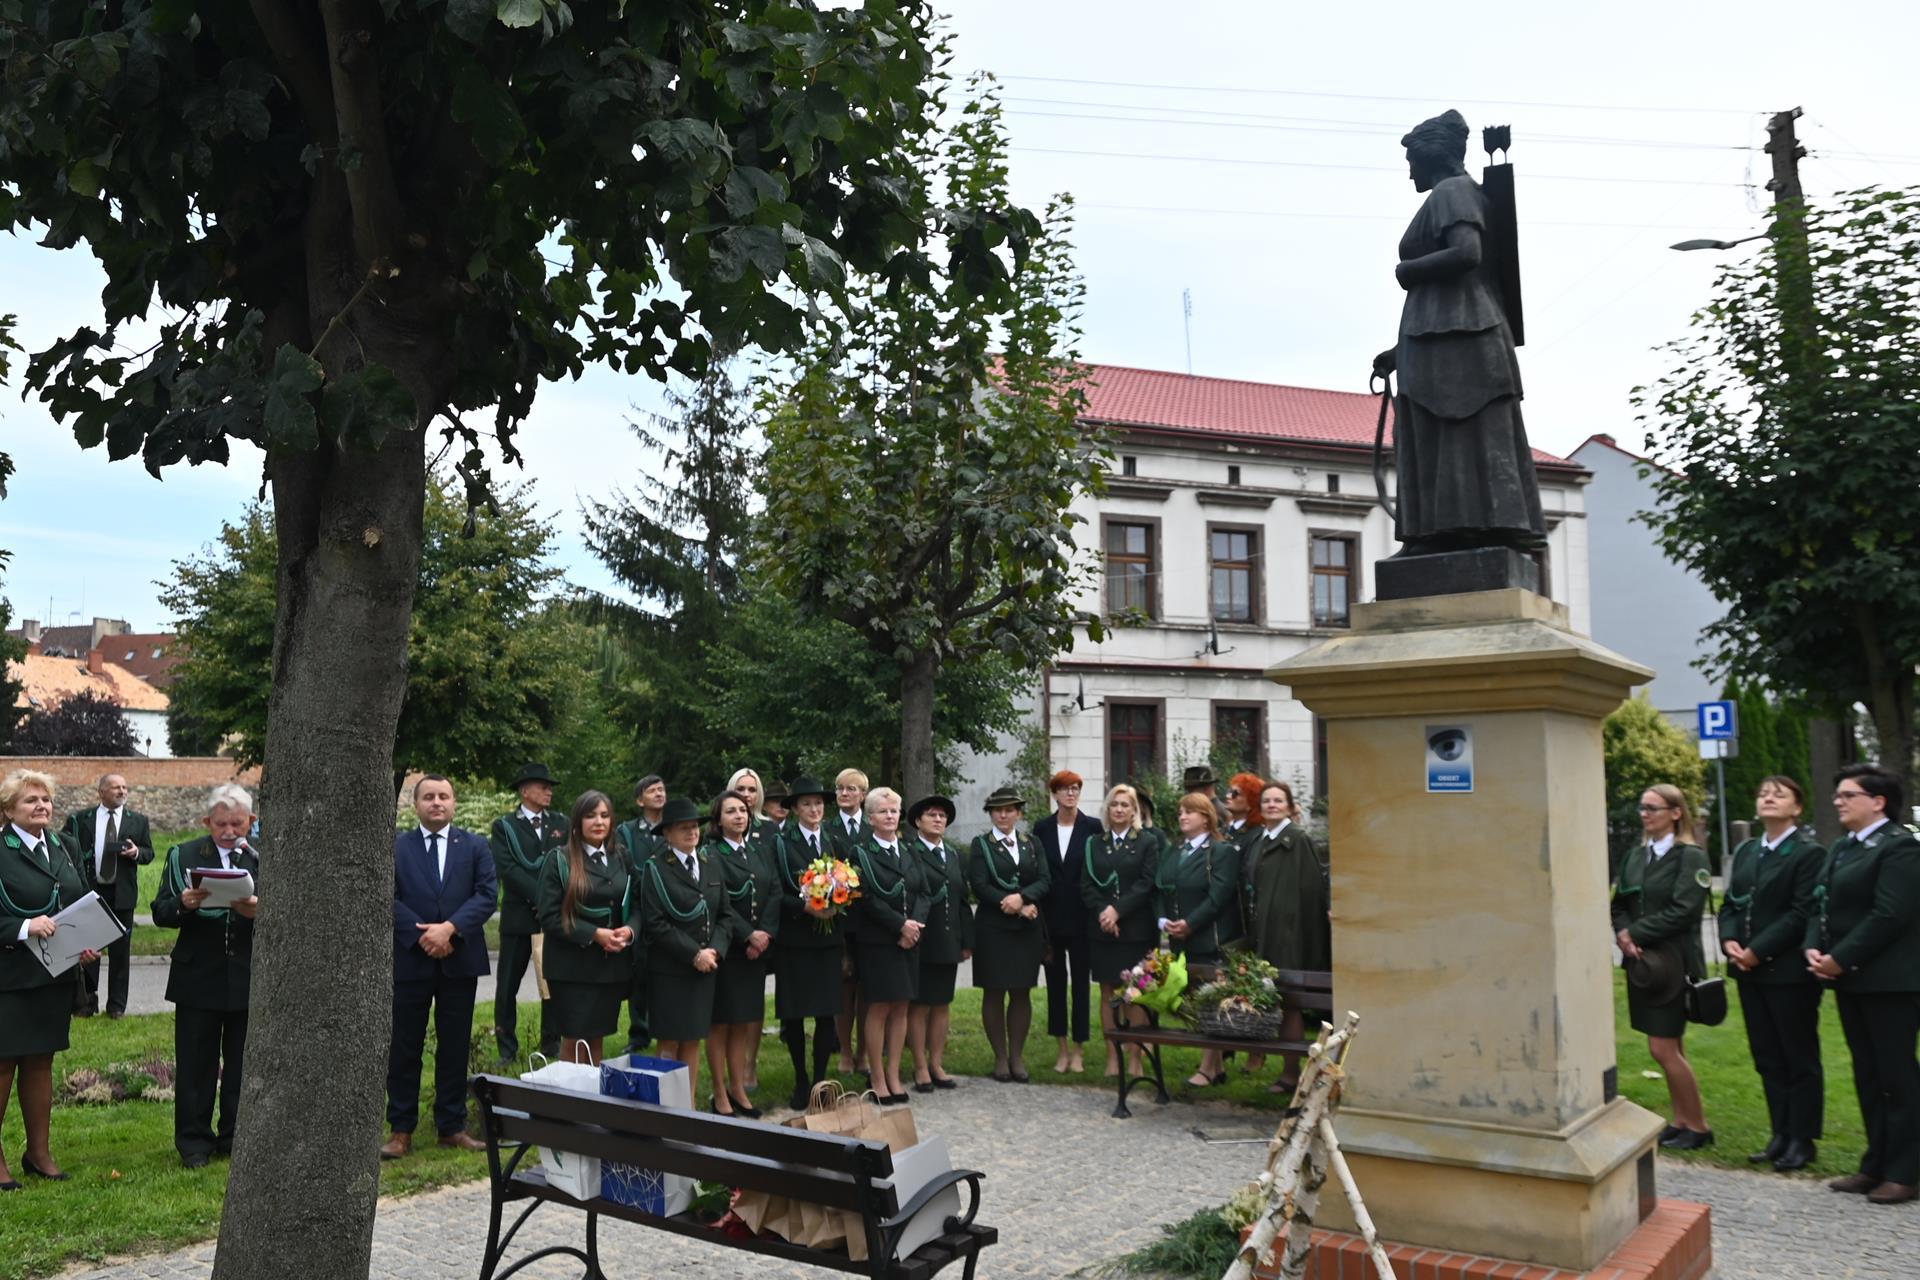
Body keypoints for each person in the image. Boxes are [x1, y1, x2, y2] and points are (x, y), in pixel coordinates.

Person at [1371, 108, 1544, 555]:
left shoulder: (1451, 191)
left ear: (1431, 156)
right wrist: (1398, 352)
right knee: (1442, 433)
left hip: (1460, 337)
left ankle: (1449, 532)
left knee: (1449, 431)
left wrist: (1407, 271)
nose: (1410, 170)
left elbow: (1467, 253)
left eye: (1412, 160)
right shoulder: (1463, 192)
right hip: (1444, 336)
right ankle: (1443, 533)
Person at [1808, 764, 1920, 1205]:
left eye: (1848, 795)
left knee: (1897, 1076)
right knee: (1868, 1074)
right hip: (1853, 980)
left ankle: (1906, 1171)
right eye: (1838, 794)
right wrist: (1814, 948)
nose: (1838, 801)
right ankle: (1875, 1164)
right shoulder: (1842, 847)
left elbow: (1890, 915)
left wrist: (1840, 959)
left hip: (1891, 982)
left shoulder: (1900, 846)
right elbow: (1820, 901)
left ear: (1878, 802)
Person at [382, 775, 497, 1159]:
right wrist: (424, 935)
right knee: (404, 1047)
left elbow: (486, 895)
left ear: (454, 802)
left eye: (443, 796)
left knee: (454, 1046)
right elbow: (387, 895)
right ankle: (401, 1130)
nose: (436, 802)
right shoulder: (398, 847)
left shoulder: (476, 846)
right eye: (428, 796)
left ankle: (452, 1126)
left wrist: (450, 929)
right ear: (416, 805)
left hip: (459, 960)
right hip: (411, 958)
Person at [1717, 775, 1824, 1172]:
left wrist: (1757, 951)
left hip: (1788, 973)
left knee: (1798, 1057)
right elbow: (1731, 903)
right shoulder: (1748, 850)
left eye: (1779, 795)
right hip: (1749, 972)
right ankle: (1779, 1132)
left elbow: (1800, 912)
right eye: (1763, 793)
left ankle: (1802, 1139)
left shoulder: (1808, 853)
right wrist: (1729, 940)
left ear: (1797, 807)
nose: (1768, 799)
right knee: (1767, 1056)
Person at [0, 769, 100, 1187]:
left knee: (41, 1061)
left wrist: (89, 940)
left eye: (46, 799)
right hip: (8, 977)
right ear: (8, 810)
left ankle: (38, 1153)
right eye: (30, 800)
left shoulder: (64, 845)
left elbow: (82, 898)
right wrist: (25, 927)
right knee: (4, 1064)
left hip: (54, 974)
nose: (41, 806)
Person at [154, 783, 261, 1167]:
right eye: (220, 825)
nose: (229, 832)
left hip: (248, 974)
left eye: (237, 824)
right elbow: (160, 912)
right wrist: (183, 903)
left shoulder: (263, 855)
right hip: (198, 975)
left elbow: (290, 913)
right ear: (206, 822)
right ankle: (194, 1142)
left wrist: (259, 910)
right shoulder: (183, 854)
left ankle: (235, 1137)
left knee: (243, 1064)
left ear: (251, 820)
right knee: (196, 1064)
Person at [1612, 784, 1712, 1151]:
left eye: (1653, 808)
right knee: (1670, 1046)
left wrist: (1635, 933)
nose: (1645, 814)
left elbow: (1685, 909)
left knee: (1663, 1048)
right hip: (1643, 963)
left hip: (1672, 961)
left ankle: (1699, 1125)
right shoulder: (1636, 856)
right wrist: (1624, 934)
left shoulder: (1690, 857)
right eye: (1642, 807)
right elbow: (1619, 903)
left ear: (1675, 812)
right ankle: (1681, 1120)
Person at [639, 796, 735, 1102]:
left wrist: (715, 950)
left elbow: (725, 915)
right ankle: (665, 1106)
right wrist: (694, 954)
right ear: (667, 833)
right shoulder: (656, 868)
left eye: (695, 827)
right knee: (670, 1041)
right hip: (671, 969)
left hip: (706, 967)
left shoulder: (710, 863)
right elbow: (655, 922)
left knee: (693, 1039)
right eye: (684, 828)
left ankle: (688, 1105)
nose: (692, 833)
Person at [1239, 781, 1330, 1089]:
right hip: (1262, 931)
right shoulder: (1259, 840)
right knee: (1272, 1000)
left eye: (1278, 800)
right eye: (1267, 800)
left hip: (1288, 935)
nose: (1272, 805)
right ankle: (1274, 1065)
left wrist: (1302, 937)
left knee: (1290, 1003)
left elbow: (1312, 891)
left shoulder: (1298, 839)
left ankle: (1291, 1074)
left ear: (1290, 807)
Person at [537, 791, 638, 1067]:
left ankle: (594, 1091)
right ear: (577, 821)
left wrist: (630, 931)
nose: (599, 822)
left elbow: (638, 902)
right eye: (591, 815)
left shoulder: (621, 856)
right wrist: (594, 934)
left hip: (610, 966)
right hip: (572, 967)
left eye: (605, 815)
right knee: (574, 1037)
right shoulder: (559, 859)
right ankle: (570, 1093)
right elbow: (549, 916)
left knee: (597, 1036)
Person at [1150, 793, 1240, 1087]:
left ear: (1206, 817)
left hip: (1210, 940)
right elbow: (1160, 888)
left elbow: (1219, 896)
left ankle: (1207, 1068)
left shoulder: (1221, 852)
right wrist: (1163, 920)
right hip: (1180, 939)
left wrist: (1191, 923)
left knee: (1210, 1001)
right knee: (1194, 1001)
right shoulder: (1174, 851)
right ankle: (1216, 1066)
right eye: (1180, 812)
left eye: (1189, 812)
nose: (1182, 817)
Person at [849, 787, 927, 1105]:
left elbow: (924, 892)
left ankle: (894, 1075)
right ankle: (877, 1077)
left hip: (909, 940)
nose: (890, 816)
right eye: (883, 811)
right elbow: (865, 897)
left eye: (894, 810)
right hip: (879, 941)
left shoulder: (909, 850)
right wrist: (899, 925)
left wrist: (914, 925)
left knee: (901, 1007)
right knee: (880, 1007)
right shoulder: (860, 853)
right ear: (870, 818)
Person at [705, 790, 780, 1116]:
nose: (739, 816)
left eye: (743, 811)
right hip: (729, 950)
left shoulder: (759, 851)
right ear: (718, 820)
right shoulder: (712, 854)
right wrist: (748, 935)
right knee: (721, 1023)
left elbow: (774, 890)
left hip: (755, 952)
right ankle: (719, 1092)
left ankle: (738, 1088)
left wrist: (764, 935)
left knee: (741, 1023)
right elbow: (718, 902)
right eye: (731, 811)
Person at [969, 785, 1049, 1083]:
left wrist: (1025, 899)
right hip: (993, 928)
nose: (1003, 815)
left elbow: (1045, 879)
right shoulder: (981, 844)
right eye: (997, 810)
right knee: (994, 990)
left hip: (1027, 929)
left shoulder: (1032, 843)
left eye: (1009, 810)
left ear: (1019, 814)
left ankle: (1017, 1056)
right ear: (990, 814)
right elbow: (979, 884)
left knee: (1021, 991)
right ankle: (1000, 1057)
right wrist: (1013, 904)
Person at [772, 777, 844, 1110]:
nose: (814, 809)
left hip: (828, 939)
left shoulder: (833, 840)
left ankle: (820, 1080)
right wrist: (804, 907)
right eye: (806, 804)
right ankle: (801, 1079)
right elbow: (776, 890)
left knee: (826, 1013)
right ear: (795, 809)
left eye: (818, 803)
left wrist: (838, 903)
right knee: (795, 1014)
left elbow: (848, 881)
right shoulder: (781, 843)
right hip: (796, 939)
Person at [490, 762, 568, 1064]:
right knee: (507, 986)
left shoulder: (561, 823)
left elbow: (567, 863)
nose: (549, 791)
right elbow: (508, 869)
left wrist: (551, 902)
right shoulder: (505, 826)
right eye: (543, 786)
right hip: (519, 919)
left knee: (552, 984)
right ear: (525, 791)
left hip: (552, 920)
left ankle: (551, 1044)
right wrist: (541, 897)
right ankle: (507, 1049)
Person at [61, 772, 153, 1019]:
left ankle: (117, 1006)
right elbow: (63, 846)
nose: (122, 791)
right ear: (101, 791)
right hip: (91, 892)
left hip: (122, 893)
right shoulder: (81, 819)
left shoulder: (138, 821)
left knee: (120, 953)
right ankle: (87, 1002)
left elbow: (149, 853)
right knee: (89, 948)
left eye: (125, 787)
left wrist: (136, 852)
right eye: (116, 787)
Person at [1082, 783, 1158, 1079]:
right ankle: (1113, 1056)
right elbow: (1086, 885)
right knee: (1108, 992)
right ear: (1107, 809)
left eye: (1125, 805)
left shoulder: (1147, 842)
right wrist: (1104, 912)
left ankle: (1135, 1057)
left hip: (1135, 929)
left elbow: (1146, 883)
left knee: (1133, 993)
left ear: (1134, 810)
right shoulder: (1094, 843)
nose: (1119, 809)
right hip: (1103, 930)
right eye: (1114, 804)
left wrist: (1118, 910)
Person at [1036, 770, 1100, 1074]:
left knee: (1081, 987)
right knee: (1055, 986)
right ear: (1055, 794)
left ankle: (1078, 1050)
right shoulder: (1042, 828)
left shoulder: (1093, 827)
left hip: (1083, 919)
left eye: (1075, 788)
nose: (1070, 793)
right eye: (1064, 789)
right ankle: (1061, 1048)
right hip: (1050, 920)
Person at [906, 794, 970, 1092]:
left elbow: (962, 899)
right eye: (931, 814)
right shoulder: (911, 851)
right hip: (922, 937)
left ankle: (936, 1063)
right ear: (918, 821)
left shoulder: (954, 854)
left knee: (942, 1003)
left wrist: (966, 939)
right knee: (919, 1005)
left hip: (948, 938)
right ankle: (920, 1066)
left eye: (942, 815)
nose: (937, 819)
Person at [612, 775, 667, 1059]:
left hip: (671, 910)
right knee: (639, 974)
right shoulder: (627, 831)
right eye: (652, 790)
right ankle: (639, 1033)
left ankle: (667, 1029)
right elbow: (624, 866)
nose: (659, 793)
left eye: (661, 789)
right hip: (640, 909)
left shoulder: (674, 826)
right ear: (639, 800)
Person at [829, 768, 870, 1073]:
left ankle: (865, 1052)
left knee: (868, 988)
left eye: (851, 789)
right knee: (844, 987)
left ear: (863, 795)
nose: (844, 793)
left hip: (870, 919)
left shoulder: (874, 826)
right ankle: (845, 1050)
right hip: (838, 920)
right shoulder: (827, 829)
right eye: (840, 788)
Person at [1223, 772, 1262, 855]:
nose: (1228, 796)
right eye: (1229, 791)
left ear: (1251, 802)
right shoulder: (1223, 830)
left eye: (1235, 793)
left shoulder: (1256, 835)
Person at [1182, 765, 1231, 830]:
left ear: (1206, 788)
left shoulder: (1215, 814)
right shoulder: (1217, 810)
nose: (1188, 794)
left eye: (1191, 789)